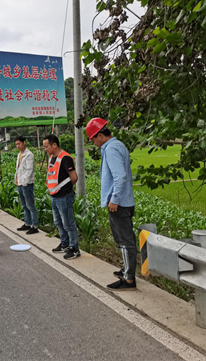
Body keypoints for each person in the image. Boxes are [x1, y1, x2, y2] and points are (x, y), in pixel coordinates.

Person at [86, 118, 137, 291]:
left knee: (124, 241)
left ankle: (129, 278)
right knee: (124, 239)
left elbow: (120, 176)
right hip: (123, 201)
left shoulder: (111, 149)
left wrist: (114, 200)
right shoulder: (117, 145)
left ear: (100, 135)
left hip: (119, 203)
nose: (93, 143)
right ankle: (127, 270)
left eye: (93, 139)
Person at [43, 134, 80, 260]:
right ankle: (64, 243)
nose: (45, 149)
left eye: (46, 146)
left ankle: (74, 247)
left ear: (54, 145)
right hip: (54, 195)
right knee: (58, 222)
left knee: (68, 223)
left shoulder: (65, 158)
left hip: (64, 196)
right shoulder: (51, 157)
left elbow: (74, 177)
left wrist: (66, 189)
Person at [14, 136, 39, 235]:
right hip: (19, 183)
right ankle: (27, 223)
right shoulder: (19, 154)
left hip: (26, 184)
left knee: (30, 205)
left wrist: (24, 182)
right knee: (24, 205)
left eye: (19, 144)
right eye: (16, 144)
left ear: (24, 142)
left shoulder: (29, 155)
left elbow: (29, 170)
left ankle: (35, 225)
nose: (18, 146)